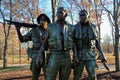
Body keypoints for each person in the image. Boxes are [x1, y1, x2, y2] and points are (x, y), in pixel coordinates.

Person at [11, 14, 51, 80]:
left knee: (48, 75)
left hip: (47, 55)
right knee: (35, 76)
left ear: (47, 21)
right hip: (35, 55)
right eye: (41, 20)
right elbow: (22, 39)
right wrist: (18, 30)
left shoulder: (51, 31)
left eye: (44, 20)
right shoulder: (34, 30)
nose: (42, 21)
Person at [73, 10, 107, 80]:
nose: (82, 17)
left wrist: (103, 56)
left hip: (90, 54)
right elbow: (73, 43)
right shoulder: (75, 27)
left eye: (84, 15)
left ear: (88, 16)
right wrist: (75, 55)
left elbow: (97, 42)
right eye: (81, 15)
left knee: (92, 76)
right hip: (79, 55)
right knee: (77, 76)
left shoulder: (94, 27)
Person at [45, 7, 75, 80]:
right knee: (50, 77)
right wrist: (40, 54)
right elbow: (44, 42)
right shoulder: (50, 27)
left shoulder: (72, 27)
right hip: (54, 55)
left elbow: (74, 43)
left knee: (65, 77)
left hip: (67, 56)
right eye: (57, 13)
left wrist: (75, 56)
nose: (59, 14)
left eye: (61, 12)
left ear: (65, 14)